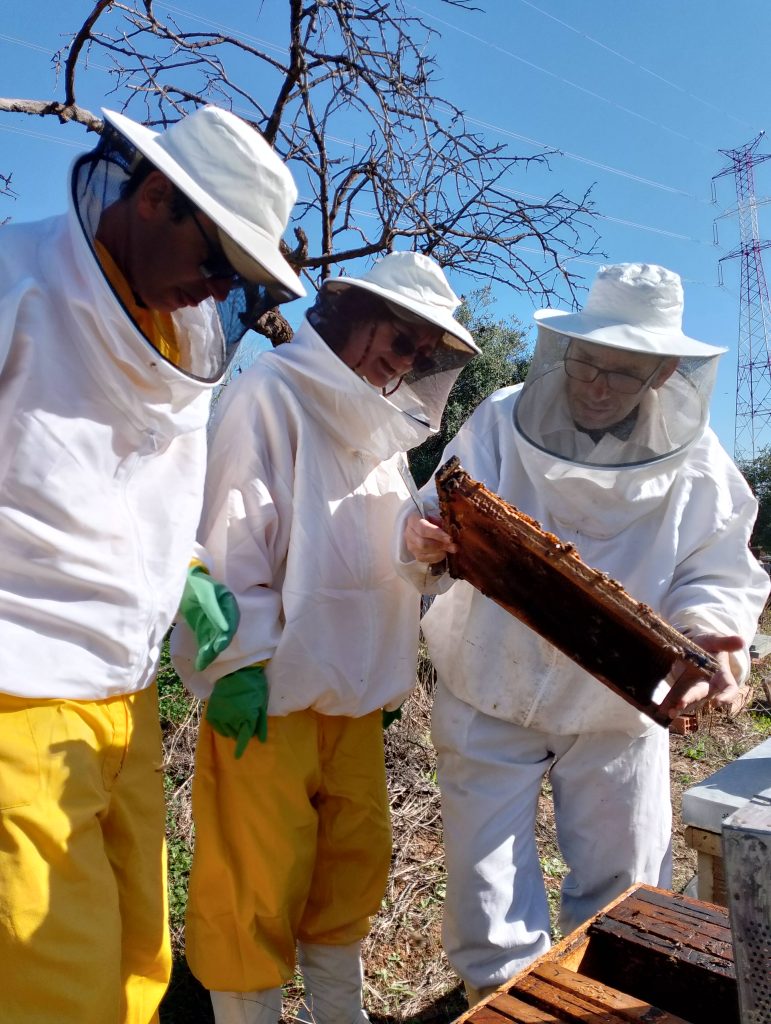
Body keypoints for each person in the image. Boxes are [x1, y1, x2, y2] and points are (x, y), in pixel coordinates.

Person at [0, 104, 304, 1024]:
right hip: (16, 700)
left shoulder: (174, 338)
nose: (217, 292)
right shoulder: (15, 283)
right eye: (215, 262)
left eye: (236, 278)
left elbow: (142, 503)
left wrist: (190, 572)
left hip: (126, 701)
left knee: (138, 966)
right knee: (49, 984)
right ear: (156, 198)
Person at [396, 262, 770, 1005]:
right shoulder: (501, 419)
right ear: (563, 353)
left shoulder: (699, 465)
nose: (597, 387)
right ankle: (497, 1002)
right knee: (484, 892)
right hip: (487, 681)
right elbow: (428, 513)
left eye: (623, 374)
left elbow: (717, 570)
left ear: (663, 373)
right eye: (587, 365)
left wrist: (713, 631)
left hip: (618, 705)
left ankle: (604, 1002)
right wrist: (421, 537)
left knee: (625, 892)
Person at [169, 251, 479, 1024]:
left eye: (418, 352)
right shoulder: (270, 393)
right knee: (254, 890)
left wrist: (423, 553)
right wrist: (235, 665)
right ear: (350, 313)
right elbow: (228, 542)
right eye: (398, 338)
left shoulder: (380, 439)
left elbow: (378, 566)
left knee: (346, 883)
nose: (403, 361)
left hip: (353, 707)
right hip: (267, 699)